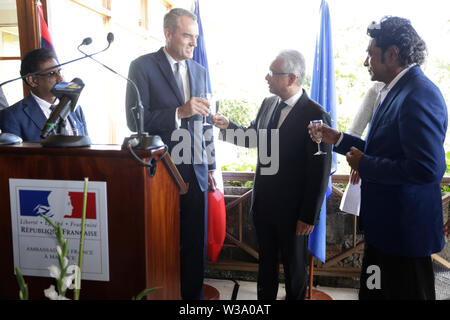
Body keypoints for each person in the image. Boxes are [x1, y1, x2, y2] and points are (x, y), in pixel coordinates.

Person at [310, 16, 447, 300]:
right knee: (372, 293)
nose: (365, 62)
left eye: (370, 54)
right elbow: (385, 149)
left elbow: (426, 169)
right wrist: (337, 139)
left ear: (392, 53)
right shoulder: (393, 90)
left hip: (404, 239)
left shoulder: (419, 94)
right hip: (385, 232)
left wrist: (365, 164)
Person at [213, 50, 332, 300]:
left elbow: (319, 171)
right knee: (265, 267)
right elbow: (254, 137)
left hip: (294, 212)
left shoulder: (316, 114)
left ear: (292, 78)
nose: (267, 77)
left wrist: (308, 215)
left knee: (294, 271)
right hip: (264, 206)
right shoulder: (268, 104)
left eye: (273, 73)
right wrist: (227, 127)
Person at [125, 8, 216, 300]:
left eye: (196, 37)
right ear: (168, 34)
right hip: (160, 173)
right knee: (161, 243)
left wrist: (211, 167)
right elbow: (135, 120)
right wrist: (179, 112)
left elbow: (205, 123)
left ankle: (193, 301)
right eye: (188, 35)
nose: (194, 43)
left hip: (197, 173)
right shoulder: (142, 67)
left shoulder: (200, 71)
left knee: (194, 245)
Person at [0, 48, 88, 142]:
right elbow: (14, 156)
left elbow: (86, 146)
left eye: (59, 71)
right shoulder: (12, 116)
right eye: (52, 73)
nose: (60, 79)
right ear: (33, 80)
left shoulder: (75, 107)